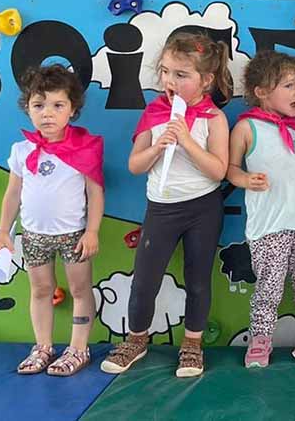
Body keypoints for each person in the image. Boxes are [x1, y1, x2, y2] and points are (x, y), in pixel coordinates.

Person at [101, 32, 231, 378]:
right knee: (144, 279)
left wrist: (187, 140)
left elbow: (218, 171)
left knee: (198, 278)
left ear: (206, 80)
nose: (169, 81)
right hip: (160, 208)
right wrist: (158, 147)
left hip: (202, 207)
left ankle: (192, 344)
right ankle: (137, 339)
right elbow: (134, 165)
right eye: (165, 72)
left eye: (181, 75)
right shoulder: (155, 111)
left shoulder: (213, 118)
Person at [228, 50, 295, 367]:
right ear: (261, 92)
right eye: (288, 85)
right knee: (269, 287)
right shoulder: (247, 128)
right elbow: (230, 169)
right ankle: (261, 340)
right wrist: (246, 179)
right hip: (268, 226)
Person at [0, 64, 104, 376]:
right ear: (27, 108)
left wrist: (92, 231)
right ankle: (43, 346)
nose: (47, 114)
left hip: (73, 235)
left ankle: (78, 348)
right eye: (38, 105)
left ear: (72, 109)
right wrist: (4, 233)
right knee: (40, 290)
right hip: (33, 235)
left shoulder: (85, 148)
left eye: (58, 105)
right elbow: (12, 194)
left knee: (81, 290)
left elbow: (96, 193)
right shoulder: (21, 150)